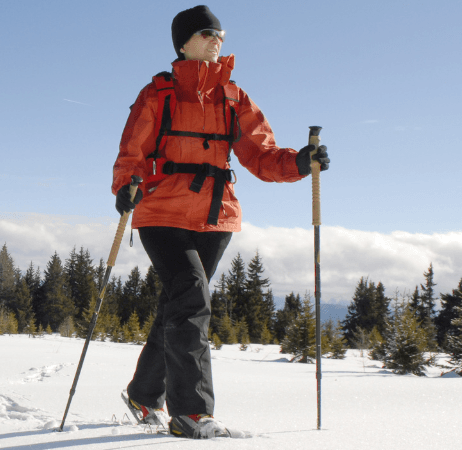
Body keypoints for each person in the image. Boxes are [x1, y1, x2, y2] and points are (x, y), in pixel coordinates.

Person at [112, 5, 329, 439]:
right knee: (191, 297)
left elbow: (262, 156)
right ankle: (191, 413)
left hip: (215, 218)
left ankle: (142, 393)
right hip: (161, 212)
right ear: (184, 42)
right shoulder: (158, 95)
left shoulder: (234, 97)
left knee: (180, 304)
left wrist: (301, 163)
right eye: (209, 33)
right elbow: (132, 150)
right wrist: (126, 185)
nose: (218, 41)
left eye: (222, 35)